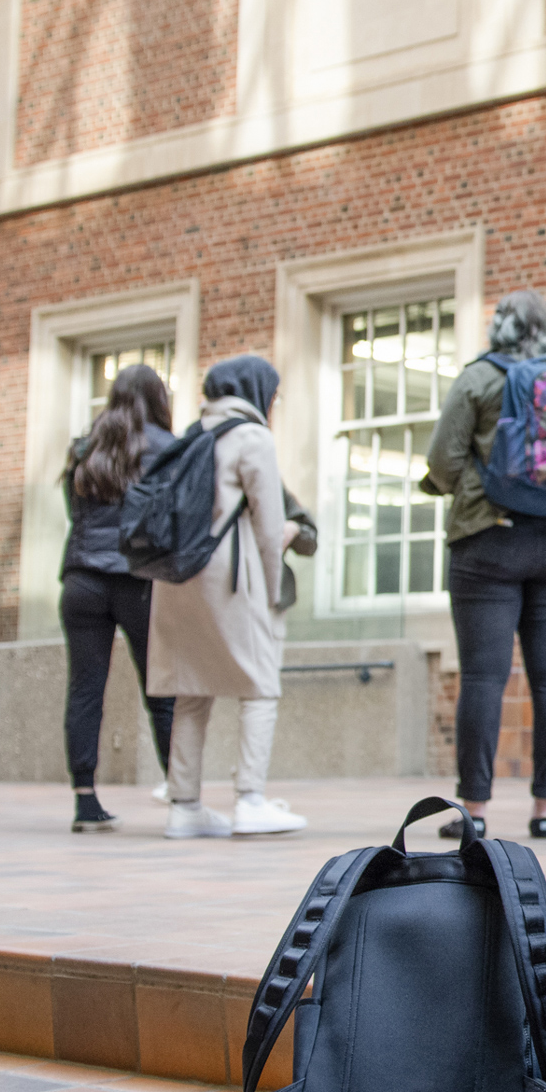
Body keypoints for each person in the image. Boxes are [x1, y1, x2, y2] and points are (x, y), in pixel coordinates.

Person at [421, 289, 546, 841]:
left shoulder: (478, 379)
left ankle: (473, 808)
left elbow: (443, 460)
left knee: (482, 676)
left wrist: (485, 490)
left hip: (486, 542)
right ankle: (545, 808)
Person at [148, 356, 304, 840]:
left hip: (176, 581)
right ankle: (251, 800)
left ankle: (184, 806)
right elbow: (268, 526)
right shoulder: (252, 437)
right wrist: (274, 591)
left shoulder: (191, 435)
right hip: (229, 579)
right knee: (261, 687)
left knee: (192, 691)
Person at [57, 363, 180, 832]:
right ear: (158, 398)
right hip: (139, 580)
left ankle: (85, 799)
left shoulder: (84, 447)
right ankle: (181, 795)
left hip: (81, 580)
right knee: (162, 691)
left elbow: (75, 513)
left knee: (85, 690)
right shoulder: (168, 448)